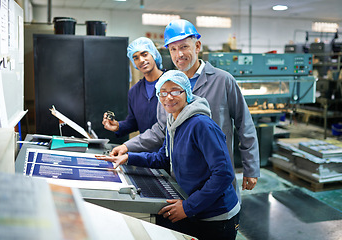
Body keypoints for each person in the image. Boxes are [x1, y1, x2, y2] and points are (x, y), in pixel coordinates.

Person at [111, 19, 260, 193]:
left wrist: (251, 167)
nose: (178, 54)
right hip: (181, 178)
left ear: (197, 46)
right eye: (173, 49)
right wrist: (128, 146)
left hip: (216, 176)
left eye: (184, 47)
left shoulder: (223, 81)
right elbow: (160, 129)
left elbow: (245, 125)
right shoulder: (166, 85)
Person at [96, 70, 240, 240]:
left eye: (175, 91)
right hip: (194, 205)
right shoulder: (174, 121)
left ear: (187, 92)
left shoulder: (201, 125)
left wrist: (187, 207)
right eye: (163, 92)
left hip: (216, 216)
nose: (168, 97)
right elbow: (163, 158)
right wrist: (129, 157)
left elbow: (223, 174)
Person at [102, 37, 164, 139]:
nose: (141, 60)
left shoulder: (171, 83)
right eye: (136, 58)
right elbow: (133, 122)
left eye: (145, 54)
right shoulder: (135, 91)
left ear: (154, 54)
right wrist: (118, 126)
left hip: (170, 150)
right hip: (145, 150)